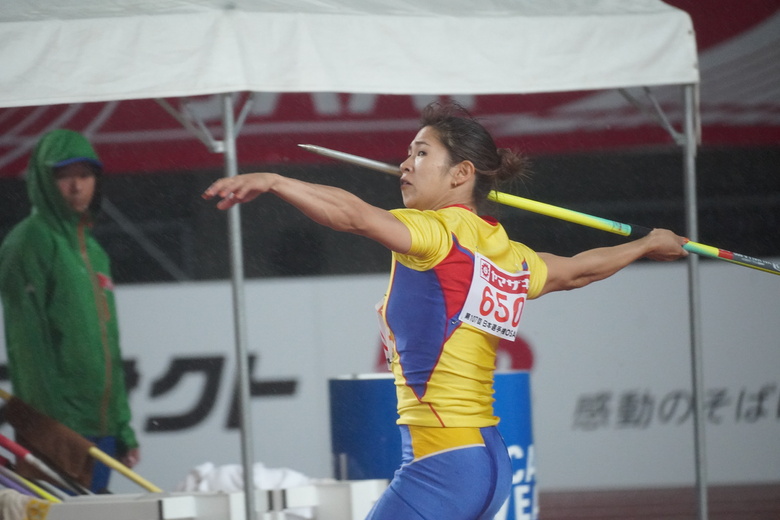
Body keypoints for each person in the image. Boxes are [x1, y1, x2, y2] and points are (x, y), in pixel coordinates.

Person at [202, 102, 688, 520]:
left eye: (421, 153)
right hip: (489, 464)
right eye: (407, 153)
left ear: (461, 174)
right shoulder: (508, 252)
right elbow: (579, 270)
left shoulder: (434, 235)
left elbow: (353, 216)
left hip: (444, 466)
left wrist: (274, 180)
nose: (404, 165)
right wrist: (648, 244)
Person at [0, 129, 140, 493]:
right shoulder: (28, 242)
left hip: (101, 424)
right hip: (57, 427)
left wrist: (122, 427)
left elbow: (109, 347)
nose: (77, 186)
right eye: (63, 176)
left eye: (85, 175)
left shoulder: (94, 252)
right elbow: (26, 343)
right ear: (43, 182)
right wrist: (44, 427)